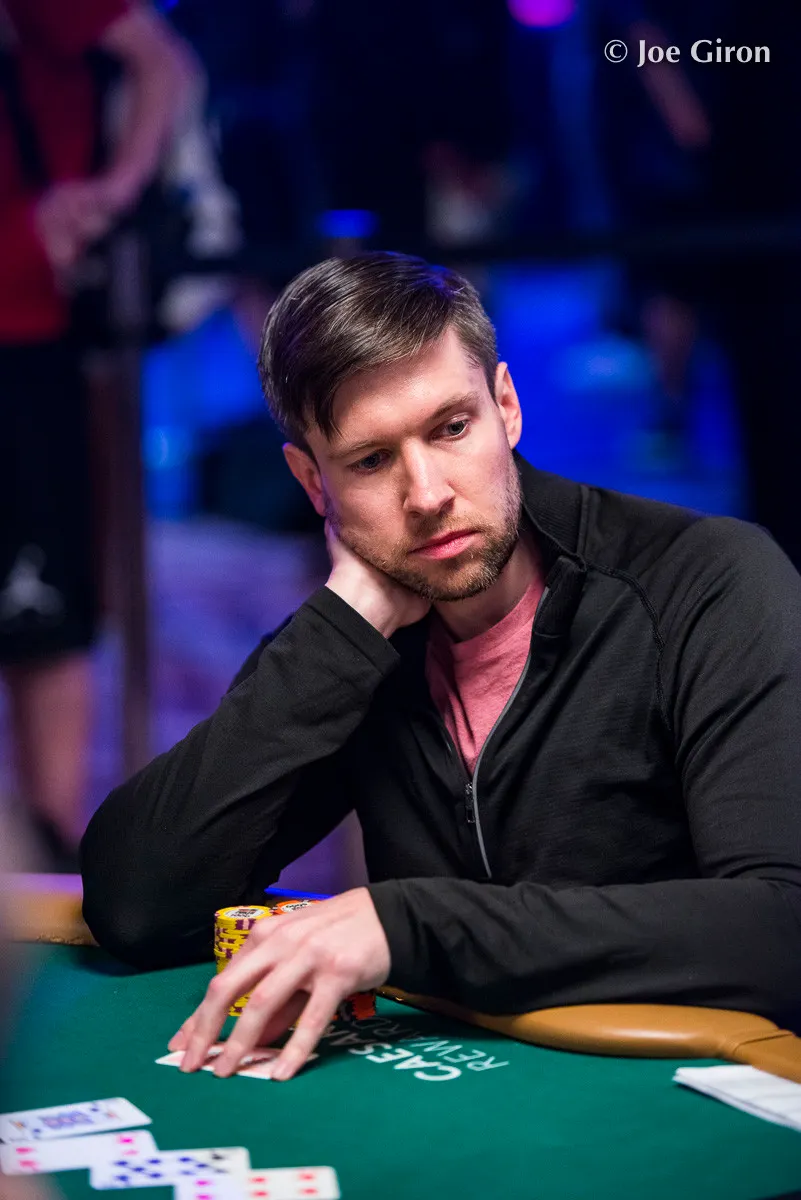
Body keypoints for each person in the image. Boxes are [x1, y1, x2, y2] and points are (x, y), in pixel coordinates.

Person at [81, 252, 801, 1083]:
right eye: (370, 461)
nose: (426, 495)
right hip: (453, 1101)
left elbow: (781, 928)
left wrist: (411, 926)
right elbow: (135, 903)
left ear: (506, 406)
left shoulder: (706, 581)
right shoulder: (357, 646)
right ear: (311, 481)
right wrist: (340, 628)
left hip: (686, 1102)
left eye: (451, 428)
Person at [0, 0, 195, 869]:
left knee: (42, 616)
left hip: (26, 335)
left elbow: (162, 61)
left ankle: (48, 870)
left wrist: (111, 192)